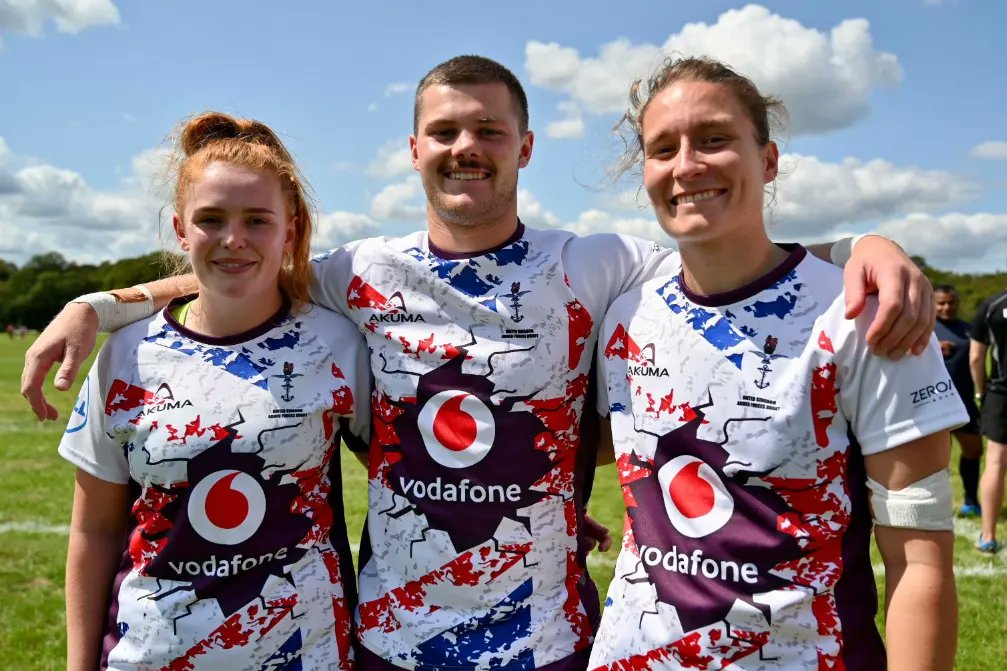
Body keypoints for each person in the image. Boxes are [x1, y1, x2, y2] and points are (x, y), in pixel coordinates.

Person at [26, 57, 935, 671]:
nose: (466, 147)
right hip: (388, 636)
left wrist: (867, 246)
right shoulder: (361, 274)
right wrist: (100, 304)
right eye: (445, 130)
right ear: (414, 150)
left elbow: (732, 250)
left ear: (524, 147)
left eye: (490, 131)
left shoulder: (595, 265)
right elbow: (241, 266)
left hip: (547, 640)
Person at [592, 57, 964, 670]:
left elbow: (919, 565)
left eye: (714, 139)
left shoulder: (864, 315)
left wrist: (870, 245)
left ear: (768, 161)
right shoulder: (626, 313)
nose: (687, 165)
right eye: (663, 149)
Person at [58, 112, 370, 670]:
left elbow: (405, 481)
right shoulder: (127, 357)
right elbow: (93, 530)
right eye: (211, 219)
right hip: (151, 655)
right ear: (181, 229)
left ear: (290, 230)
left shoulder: (337, 344)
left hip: (306, 655)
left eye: (257, 220)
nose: (233, 239)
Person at [934, 284, 984, 516]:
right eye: (941, 303)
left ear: (957, 303)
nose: (946, 307)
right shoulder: (924, 329)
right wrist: (933, 347)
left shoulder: (969, 330)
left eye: (951, 302)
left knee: (974, 450)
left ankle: (971, 501)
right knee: (935, 459)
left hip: (965, 402)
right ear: (933, 304)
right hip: (934, 405)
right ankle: (937, 506)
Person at [971, 287, 1007, 553]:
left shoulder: (992, 304)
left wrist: (980, 391)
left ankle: (988, 535)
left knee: (995, 463)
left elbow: (976, 358)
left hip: (1000, 393)